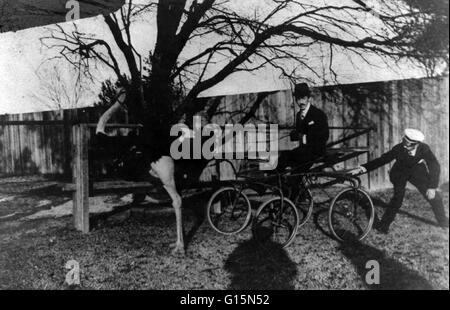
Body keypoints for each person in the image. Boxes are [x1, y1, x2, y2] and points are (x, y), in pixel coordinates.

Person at [350, 128, 449, 233]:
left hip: (417, 170)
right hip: (399, 171)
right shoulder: (399, 148)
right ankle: (383, 226)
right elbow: (383, 159)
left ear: (417, 144)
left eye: (409, 144)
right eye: (404, 141)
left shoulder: (424, 149)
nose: (405, 145)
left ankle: (444, 222)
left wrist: (432, 187)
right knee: (398, 199)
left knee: (434, 196)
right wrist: (363, 168)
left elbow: (434, 166)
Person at [277, 83, 329, 171]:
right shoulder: (299, 115)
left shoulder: (318, 114)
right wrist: (295, 135)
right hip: (303, 151)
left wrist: (304, 137)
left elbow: (324, 135)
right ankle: (275, 181)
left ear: (309, 98)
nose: (301, 102)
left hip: (316, 151)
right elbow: (299, 132)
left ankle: (292, 183)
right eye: (298, 99)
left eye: (303, 98)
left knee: (297, 168)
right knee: (283, 157)